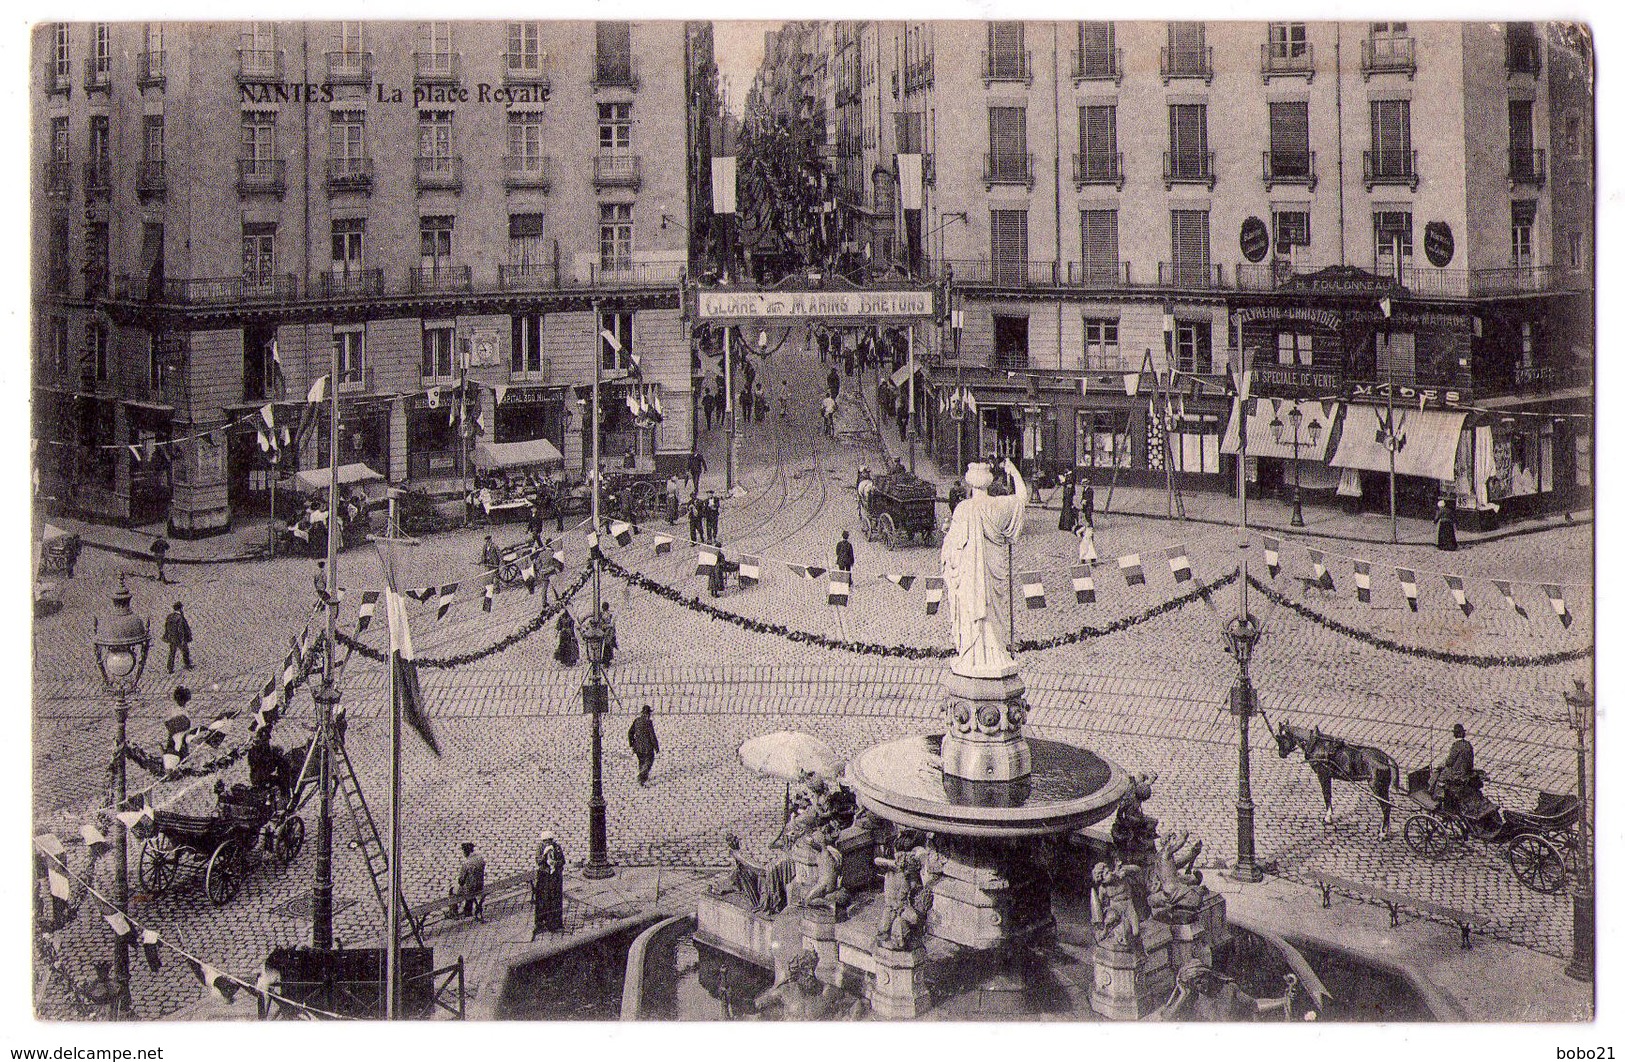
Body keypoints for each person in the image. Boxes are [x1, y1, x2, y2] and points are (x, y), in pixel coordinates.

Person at [940, 459, 1029, 677]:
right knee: (994, 614)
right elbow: (1022, 498)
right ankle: (996, 653)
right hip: (993, 572)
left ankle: (972, 655)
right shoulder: (999, 505)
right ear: (989, 482)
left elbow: (952, 548)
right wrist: (1014, 472)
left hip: (970, 576)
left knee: (972, 613)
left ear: (970, 484)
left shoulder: (963, 509)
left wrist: (948, 541)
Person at [1431, 723, 1477, 812]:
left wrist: (1440, 766)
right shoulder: (1468, 745)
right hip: (1466, 771)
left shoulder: (1456, 746)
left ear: (1456, 734)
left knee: (1439, 776)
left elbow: (1449, 762)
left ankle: (1437, 798)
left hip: (1457, 774)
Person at [531, 832, 566, 938]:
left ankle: (555, 923)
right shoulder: (540, 848)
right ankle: (541, 922)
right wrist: (544, 855)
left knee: (555, 899)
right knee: (543, 900)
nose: (548, 842)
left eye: (550, 840)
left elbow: (562, 861)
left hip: (555, 877)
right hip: (544, 877)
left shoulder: (557, 848)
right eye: (546, 841)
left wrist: (556, 863)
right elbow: (538, 861)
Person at [453, 842, 486, 920]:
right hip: (480, 886)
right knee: (470, 886)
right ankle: (467, 909)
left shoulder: (466, 863)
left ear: (465, 852)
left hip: (471, 889)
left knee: (453, 890)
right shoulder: (480, 858)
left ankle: (453, 912)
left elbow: (461, 881)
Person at [628, 705, 659, 786]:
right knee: (649, 761)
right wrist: (656, 747)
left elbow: (630, 732)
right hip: (647, 748)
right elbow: (652, 736)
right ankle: (642, 777)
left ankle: (643, 776)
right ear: (648, 714)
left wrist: (632, 743)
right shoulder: (648, 723)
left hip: (637, 747)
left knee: (641, 761)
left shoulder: (636, 721)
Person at [162, 601, 194, 673]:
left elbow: (166, 627)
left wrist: (167, 635)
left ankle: (170, 668)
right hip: (179, 638)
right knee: (185, 650)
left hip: (172, 637)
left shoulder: (169, 616)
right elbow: (181, 629)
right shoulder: (180, 618)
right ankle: (187, 664)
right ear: (180, 609)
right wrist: (183, 639)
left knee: (172, 652)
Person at [1057, 469, 1077, 533]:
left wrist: (1063, 482)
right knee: (1066, 509)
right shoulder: (1069, 475)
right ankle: (1065, 525)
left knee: (1067, 509)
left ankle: (1067, 525)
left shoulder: (1070, 476)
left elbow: (1069, 485)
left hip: (1068, 495)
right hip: (1067, 494)